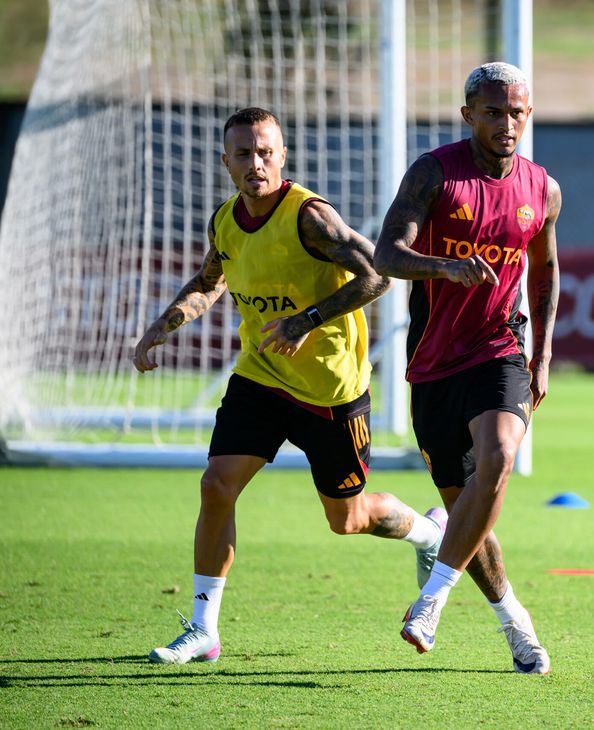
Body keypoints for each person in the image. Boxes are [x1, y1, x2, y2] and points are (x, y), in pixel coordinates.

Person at [132, 107, 446, 665]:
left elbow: (379, 274)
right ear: (225, 162)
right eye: (244, 154)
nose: (255, 163)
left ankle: (428, 534)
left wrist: (305, 321)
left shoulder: (310, 218)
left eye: (265, 152)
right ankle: (203, 628)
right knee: (216, 485)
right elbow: (209, 281)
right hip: (261, 377)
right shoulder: (225, 220)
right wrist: (165, 323)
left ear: (282, 156)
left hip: (330, 390)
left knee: (347, 519)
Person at [373, 62, 561, 675]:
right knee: (466, 517)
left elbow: (546, 270)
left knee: (500, 456)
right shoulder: (434, 173)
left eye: (517, 113)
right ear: (468, 115)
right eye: (493, 112)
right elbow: (386, 254)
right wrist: (444, 267)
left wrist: (543, 354)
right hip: (432, 364)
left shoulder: (543, 190)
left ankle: (431, 600)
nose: (507, 124)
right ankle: (517, 624)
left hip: (499, 347)